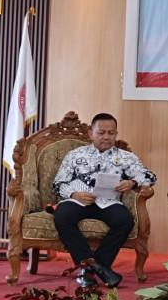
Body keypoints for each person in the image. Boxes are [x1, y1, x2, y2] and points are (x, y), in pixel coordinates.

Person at [52, 113, 156, 288]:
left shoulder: (126, 157)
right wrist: (74, 194)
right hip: (79, 200)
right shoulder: (75, 155)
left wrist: (132, 182)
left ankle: (89, 269)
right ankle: (99, 269)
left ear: (116, 134)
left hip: (108, 201)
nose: (106, 137)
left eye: (111, 133)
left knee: (125, 221)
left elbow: (150, 177)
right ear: (90, 133)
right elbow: (58, 183)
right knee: (62, 216)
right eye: (101, 133)